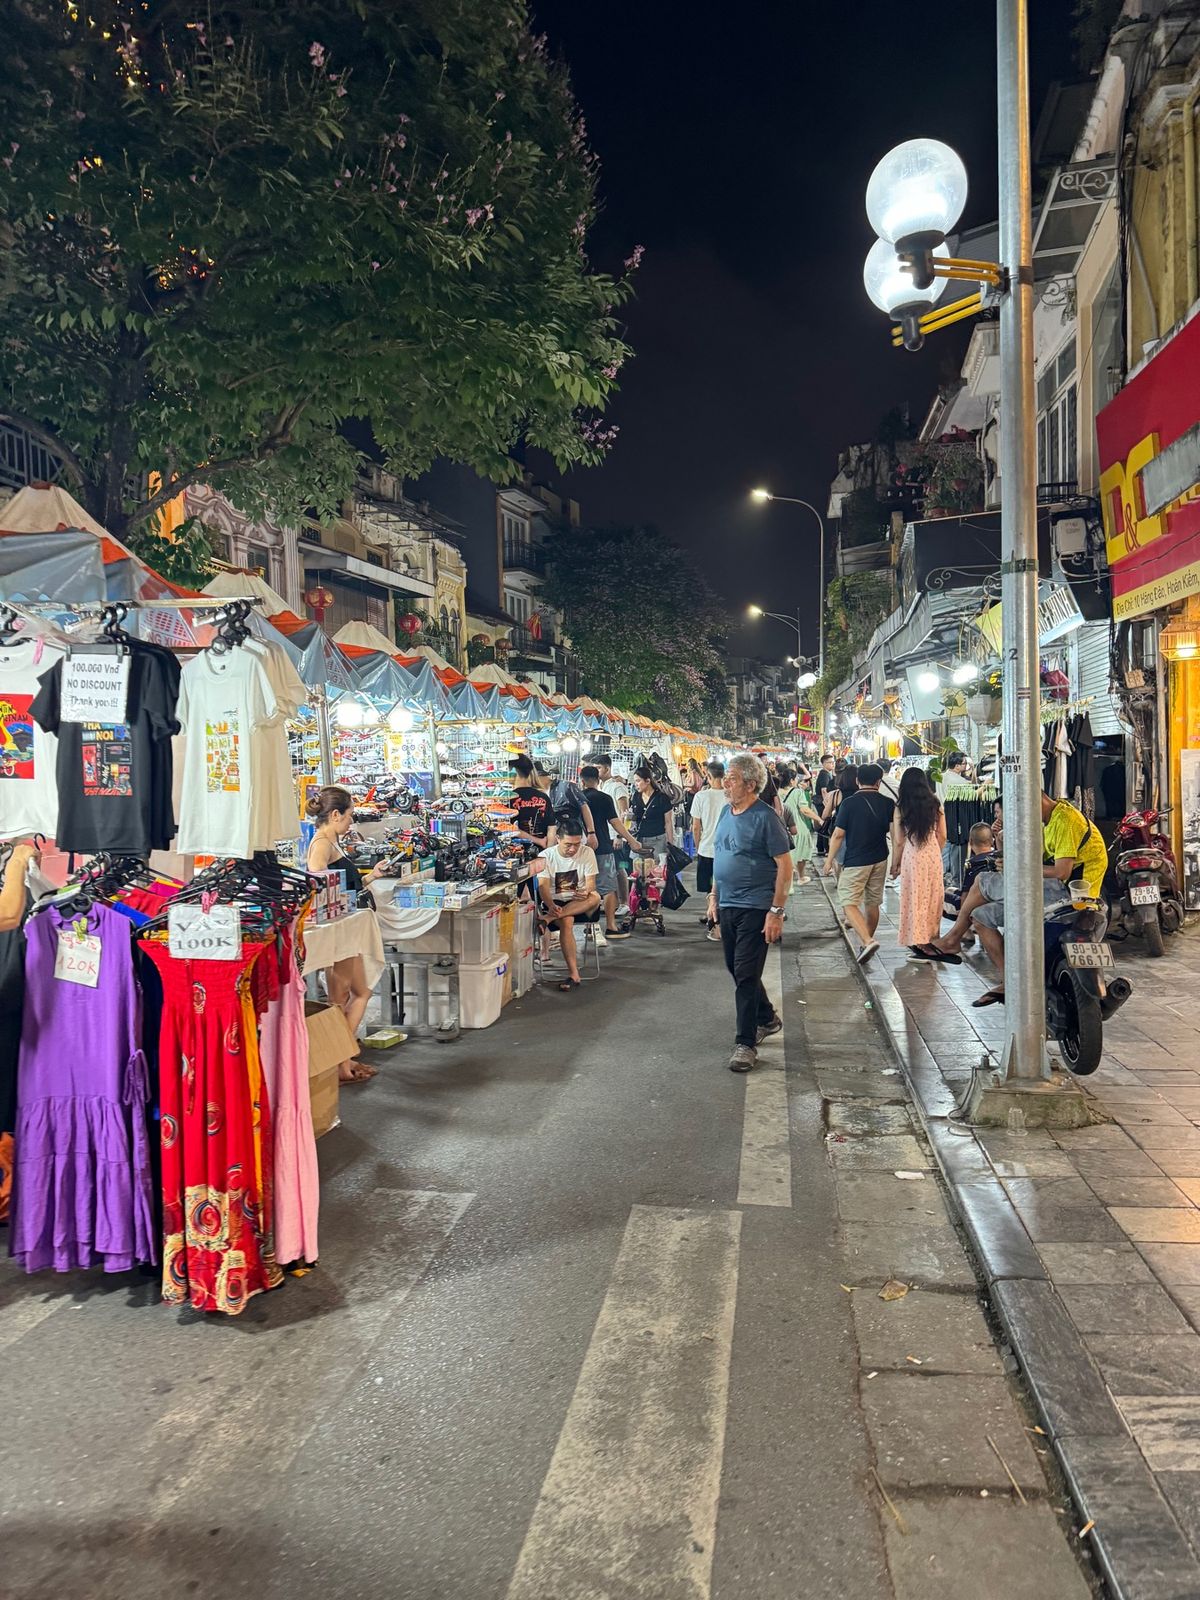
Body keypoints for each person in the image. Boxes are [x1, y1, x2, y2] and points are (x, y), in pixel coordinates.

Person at [933, 792, 1109, 1007]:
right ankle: (1009, 981)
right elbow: (1033, 860)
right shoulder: (1049, 820)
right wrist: (1000, 841)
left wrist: (1016, 866)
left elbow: (1061, 872)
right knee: (980, 917)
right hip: (1053, 892)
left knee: (982, 880)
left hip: (1067, 895)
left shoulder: (1066, 820)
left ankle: (952, 939)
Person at [705, 753, 791, 1072]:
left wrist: (776, 911)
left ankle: (745, 1043)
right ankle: (766, 1016)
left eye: (732, 779)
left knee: (744, 973)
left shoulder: (766, 817)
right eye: (726, 778)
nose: (725, 784)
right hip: (727, 903)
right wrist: (714, 895)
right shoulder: (727, 813)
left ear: (750, 784)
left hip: (756, 905)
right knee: (736, 967)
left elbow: (785, 867)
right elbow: (720, 856)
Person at [305, 786, 379, 1083]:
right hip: (339, 932)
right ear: (335, 815)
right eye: (349, 816)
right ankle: (339, 1064)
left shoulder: (332, 843)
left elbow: (342, 885)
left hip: (347, 929)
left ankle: (342, 1061)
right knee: (341, 999)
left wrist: (373, 876)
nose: (351, 823)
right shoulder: (322, 843)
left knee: (359, 993)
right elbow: (318, 882)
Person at [825, 762, 894, 964]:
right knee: (873, 902)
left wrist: (829, 860)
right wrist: (897, 860)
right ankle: (866, 943)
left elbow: (838, 835)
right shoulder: (888, 803)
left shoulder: (849, 803)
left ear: (857, 781)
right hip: (881, 858)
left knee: (848, 901)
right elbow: (896, 834)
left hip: (856, 860)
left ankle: (867, 940)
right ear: (879, 782)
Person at [890, 767, 953, 960]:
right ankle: (932, 937)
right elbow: (943, 835)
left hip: (912, 855)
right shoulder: (935, 803)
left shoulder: (901, 806)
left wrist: (895, 864)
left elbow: (899, 841)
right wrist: (935, 850)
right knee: (933, 895)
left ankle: (918, 938)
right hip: (932, 854)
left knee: (914, 896)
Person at [536, 818, 601, 991]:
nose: (573, 849)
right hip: (555, 901)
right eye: (568, 845)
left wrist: (586, 890)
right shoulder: (546, 856)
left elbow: (591, 884)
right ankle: (574, 974)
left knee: (595, 896)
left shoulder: (587, 852)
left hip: (580, 901)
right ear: (558, 839)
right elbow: (542, 887)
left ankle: (547, 920)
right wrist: (550, 905)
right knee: (567, 921)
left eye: (577, 844)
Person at [580, 764, 642, 940]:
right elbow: (616, 822)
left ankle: (590, 927)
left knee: (587, 888)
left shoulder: (578, 799)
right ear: (598, 781)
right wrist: (631, 840)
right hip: (604, 850)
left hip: (582, 851)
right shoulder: (605, 798)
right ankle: (611, 926)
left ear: (582, 781)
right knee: (608, 889)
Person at [690, 760, 729, 940]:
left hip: (707, 849)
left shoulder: (701, 797)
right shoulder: (730, 796)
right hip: (728, 851)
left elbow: (696, 827)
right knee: (724, 887)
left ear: (708, 776)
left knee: (709, 889)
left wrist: (698, 847)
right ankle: (711, 915)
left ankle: (715, 924)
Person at [596, 754, 632, 911]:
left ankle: (625, 902)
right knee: (609, 869)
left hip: (616, 836)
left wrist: (620, 835)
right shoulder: (602, 787)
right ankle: (614, 901)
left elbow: (626, 813)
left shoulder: (618, 787)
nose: (596, 771)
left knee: (619, 868)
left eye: (599, 768)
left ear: (607, 768)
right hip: (605, 836)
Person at [778, 763, 821, 886]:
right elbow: (804, 810)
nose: (797, 780)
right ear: (791, 781)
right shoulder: (797, 792)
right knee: (800, 853)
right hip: (797, 827)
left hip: (780, 828)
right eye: (795, 778)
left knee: (786, 854)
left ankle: (788, 880)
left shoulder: (776, 792)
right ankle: (800, 877)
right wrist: (819, 819)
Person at [540, 762, 597, 851]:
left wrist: (591, 833)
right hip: (549, 840)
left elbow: (584, 807)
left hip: (572, 837)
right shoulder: (535, 793)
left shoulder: (567, 786)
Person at [630, 766, 675, 858]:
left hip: (657, 840)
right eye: (635, 781)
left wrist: (671, 844)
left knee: (656, 869)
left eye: (638, 781)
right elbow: (634, 817)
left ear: (647, 781)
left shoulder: (662, 798)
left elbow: (668, 822)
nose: (636, 784)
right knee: (638, 868)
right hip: (639, 839)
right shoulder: (635, 796)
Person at [510, 753, 554, 846]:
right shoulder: (543, 797)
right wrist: (548, 852)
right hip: (541, 852)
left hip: (515, 853)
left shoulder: (509, 799)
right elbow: (552, 828)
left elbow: (511, 829)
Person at [826, 766, 860, 879]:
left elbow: (825, 815)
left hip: (840, 830)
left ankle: (840, 882)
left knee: (839, 860)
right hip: (858, 831)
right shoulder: (861, 794)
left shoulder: (836, 794)